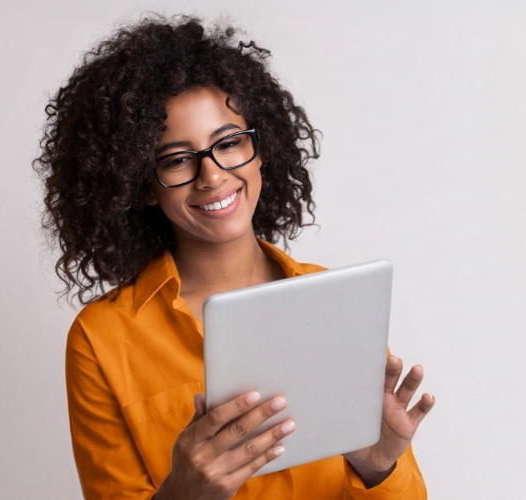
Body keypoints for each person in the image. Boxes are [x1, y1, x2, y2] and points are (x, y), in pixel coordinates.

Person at [34, 15, 435, 500]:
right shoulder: (101, 340)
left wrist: (378, 469)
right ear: (140, 184)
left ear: (261, 150)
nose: (213, 176)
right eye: (177, 159)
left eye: (228, 143)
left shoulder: (339, 304)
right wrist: (183, 491)